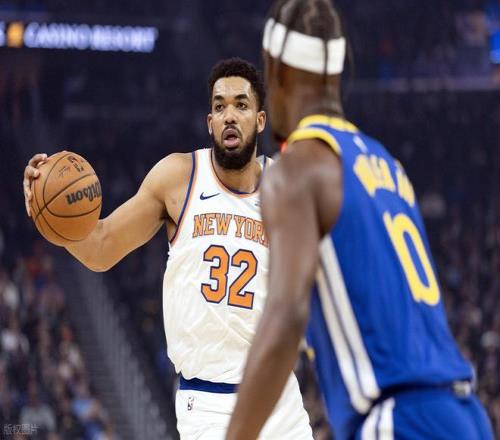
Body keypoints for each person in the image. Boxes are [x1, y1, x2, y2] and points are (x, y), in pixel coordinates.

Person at [227, 2, 494, 440]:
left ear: (276, 71)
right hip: (465, 415)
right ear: (335, 75)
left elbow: (286, 315)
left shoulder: (297, 168)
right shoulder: (388, 165)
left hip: (400, 419)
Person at [22, 58, 312, 439]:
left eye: (241, 105)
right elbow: (102, 246)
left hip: (280, 401)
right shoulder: (178, 177)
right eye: (220, 106)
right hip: (207, 405)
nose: (229, 115)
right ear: (210, 122)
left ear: (259, 120)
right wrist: (50, 219)